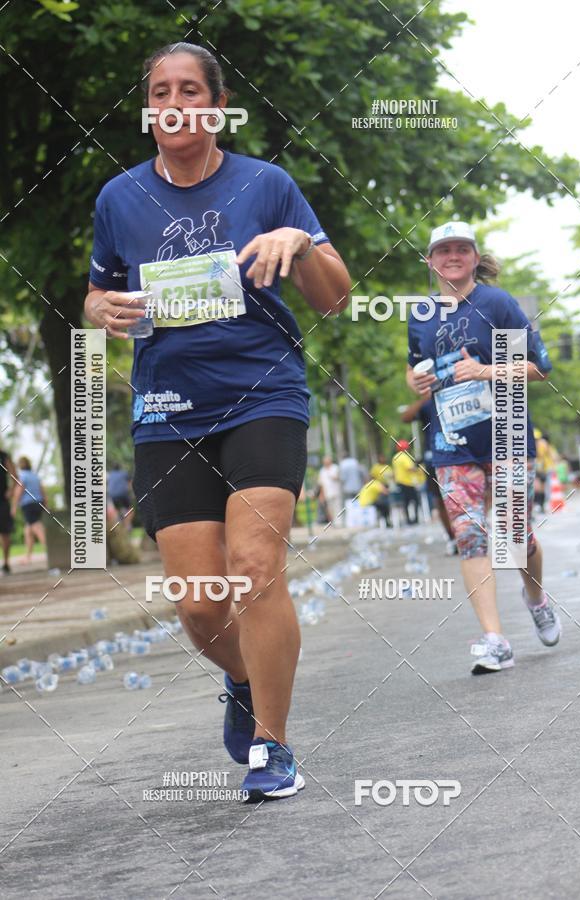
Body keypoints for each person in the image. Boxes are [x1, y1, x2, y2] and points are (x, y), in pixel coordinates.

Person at [84, 42, 351, 801]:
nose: (174, 104)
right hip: (168, 410)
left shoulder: (267, 185)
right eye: (160, 92)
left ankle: (274, 743)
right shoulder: (118, 198)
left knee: (255, 567)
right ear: (148, 109)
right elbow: (98, 293)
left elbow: (334, 298)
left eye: (190, 90)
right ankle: (242, 677)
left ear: (217, 104)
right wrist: (103, 309)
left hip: (263, 396)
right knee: (199, 603)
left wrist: (299, 246)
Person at [407, 221, 560, 674]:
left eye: (461, 249)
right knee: (469, 536)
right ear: (430, 261)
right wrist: (415, 381)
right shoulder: (421, 314)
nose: (452, 256)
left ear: (475, 258)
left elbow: (538, 368)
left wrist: (485, 372)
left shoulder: (496, 304)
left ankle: (535, 598)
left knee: (514, 538)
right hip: (452, 441)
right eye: (443, 250)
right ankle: (496, 640)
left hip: (506, 432)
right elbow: (415, 367)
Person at [401, 395, 457, 553]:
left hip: (459, 454)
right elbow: (405, 417)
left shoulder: (454, 393)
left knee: (461, 497)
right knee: (440, 500)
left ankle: (467, 532)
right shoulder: (427, 403)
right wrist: (426, 396)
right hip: (434, 458)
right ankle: (452, 538)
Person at [11, 457, 47, 564]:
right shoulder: (35, 476)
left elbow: (19, 491)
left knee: (37, 528)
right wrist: (46, 504)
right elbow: (42, 490)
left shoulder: (22, 476)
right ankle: (28, 557)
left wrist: (14, 506)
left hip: (29, 505)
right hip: (38, 503)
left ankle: (52, 552)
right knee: (28, 531)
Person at [391, 439, 420, 525]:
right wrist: (417, 468)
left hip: (399, 482)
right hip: (408, 483)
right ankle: (415, 519)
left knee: (405, 502)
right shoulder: (405, 457)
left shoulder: (395, 457)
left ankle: (407, 519)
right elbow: (410, 468)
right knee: (415, 500)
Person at [0, 446, 17, 574]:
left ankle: (6, 563)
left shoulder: (4, 456)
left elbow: (14, 476)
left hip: (2, 500)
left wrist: (11, 491)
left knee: (5, 533)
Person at [317, 455, 343, 526]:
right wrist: (322, 494)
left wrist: (335, 477)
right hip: (327, 493)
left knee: (338, 507)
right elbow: (321, 484)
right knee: (330, 509)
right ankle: (333, 522)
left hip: (336, 491)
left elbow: (340, 477)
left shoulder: (335, 468)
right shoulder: (322, 471)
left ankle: (339, 523)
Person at [107, 462, 133, 529]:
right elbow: (130, 483)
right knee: (129, 509)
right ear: (120, 468)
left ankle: (118, 524)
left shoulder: (110, 475)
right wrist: (130, 492)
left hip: (112, 495)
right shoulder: (124, 473)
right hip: (123, 494)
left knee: (115, 510)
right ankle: (128, 525)